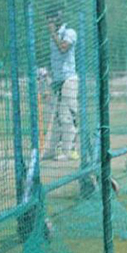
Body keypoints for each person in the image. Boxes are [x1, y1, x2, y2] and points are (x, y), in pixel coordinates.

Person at [42, 8, 79, 161]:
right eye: (48, 18)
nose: (49, 21)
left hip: (69, 79)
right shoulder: (54, 36)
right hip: (57, 80)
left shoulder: (69, 32)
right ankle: (51, 150)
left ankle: (69, 150)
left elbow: (63, 48)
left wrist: (52, 33)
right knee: (54, 116)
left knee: (66, 116)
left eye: (52, 18)